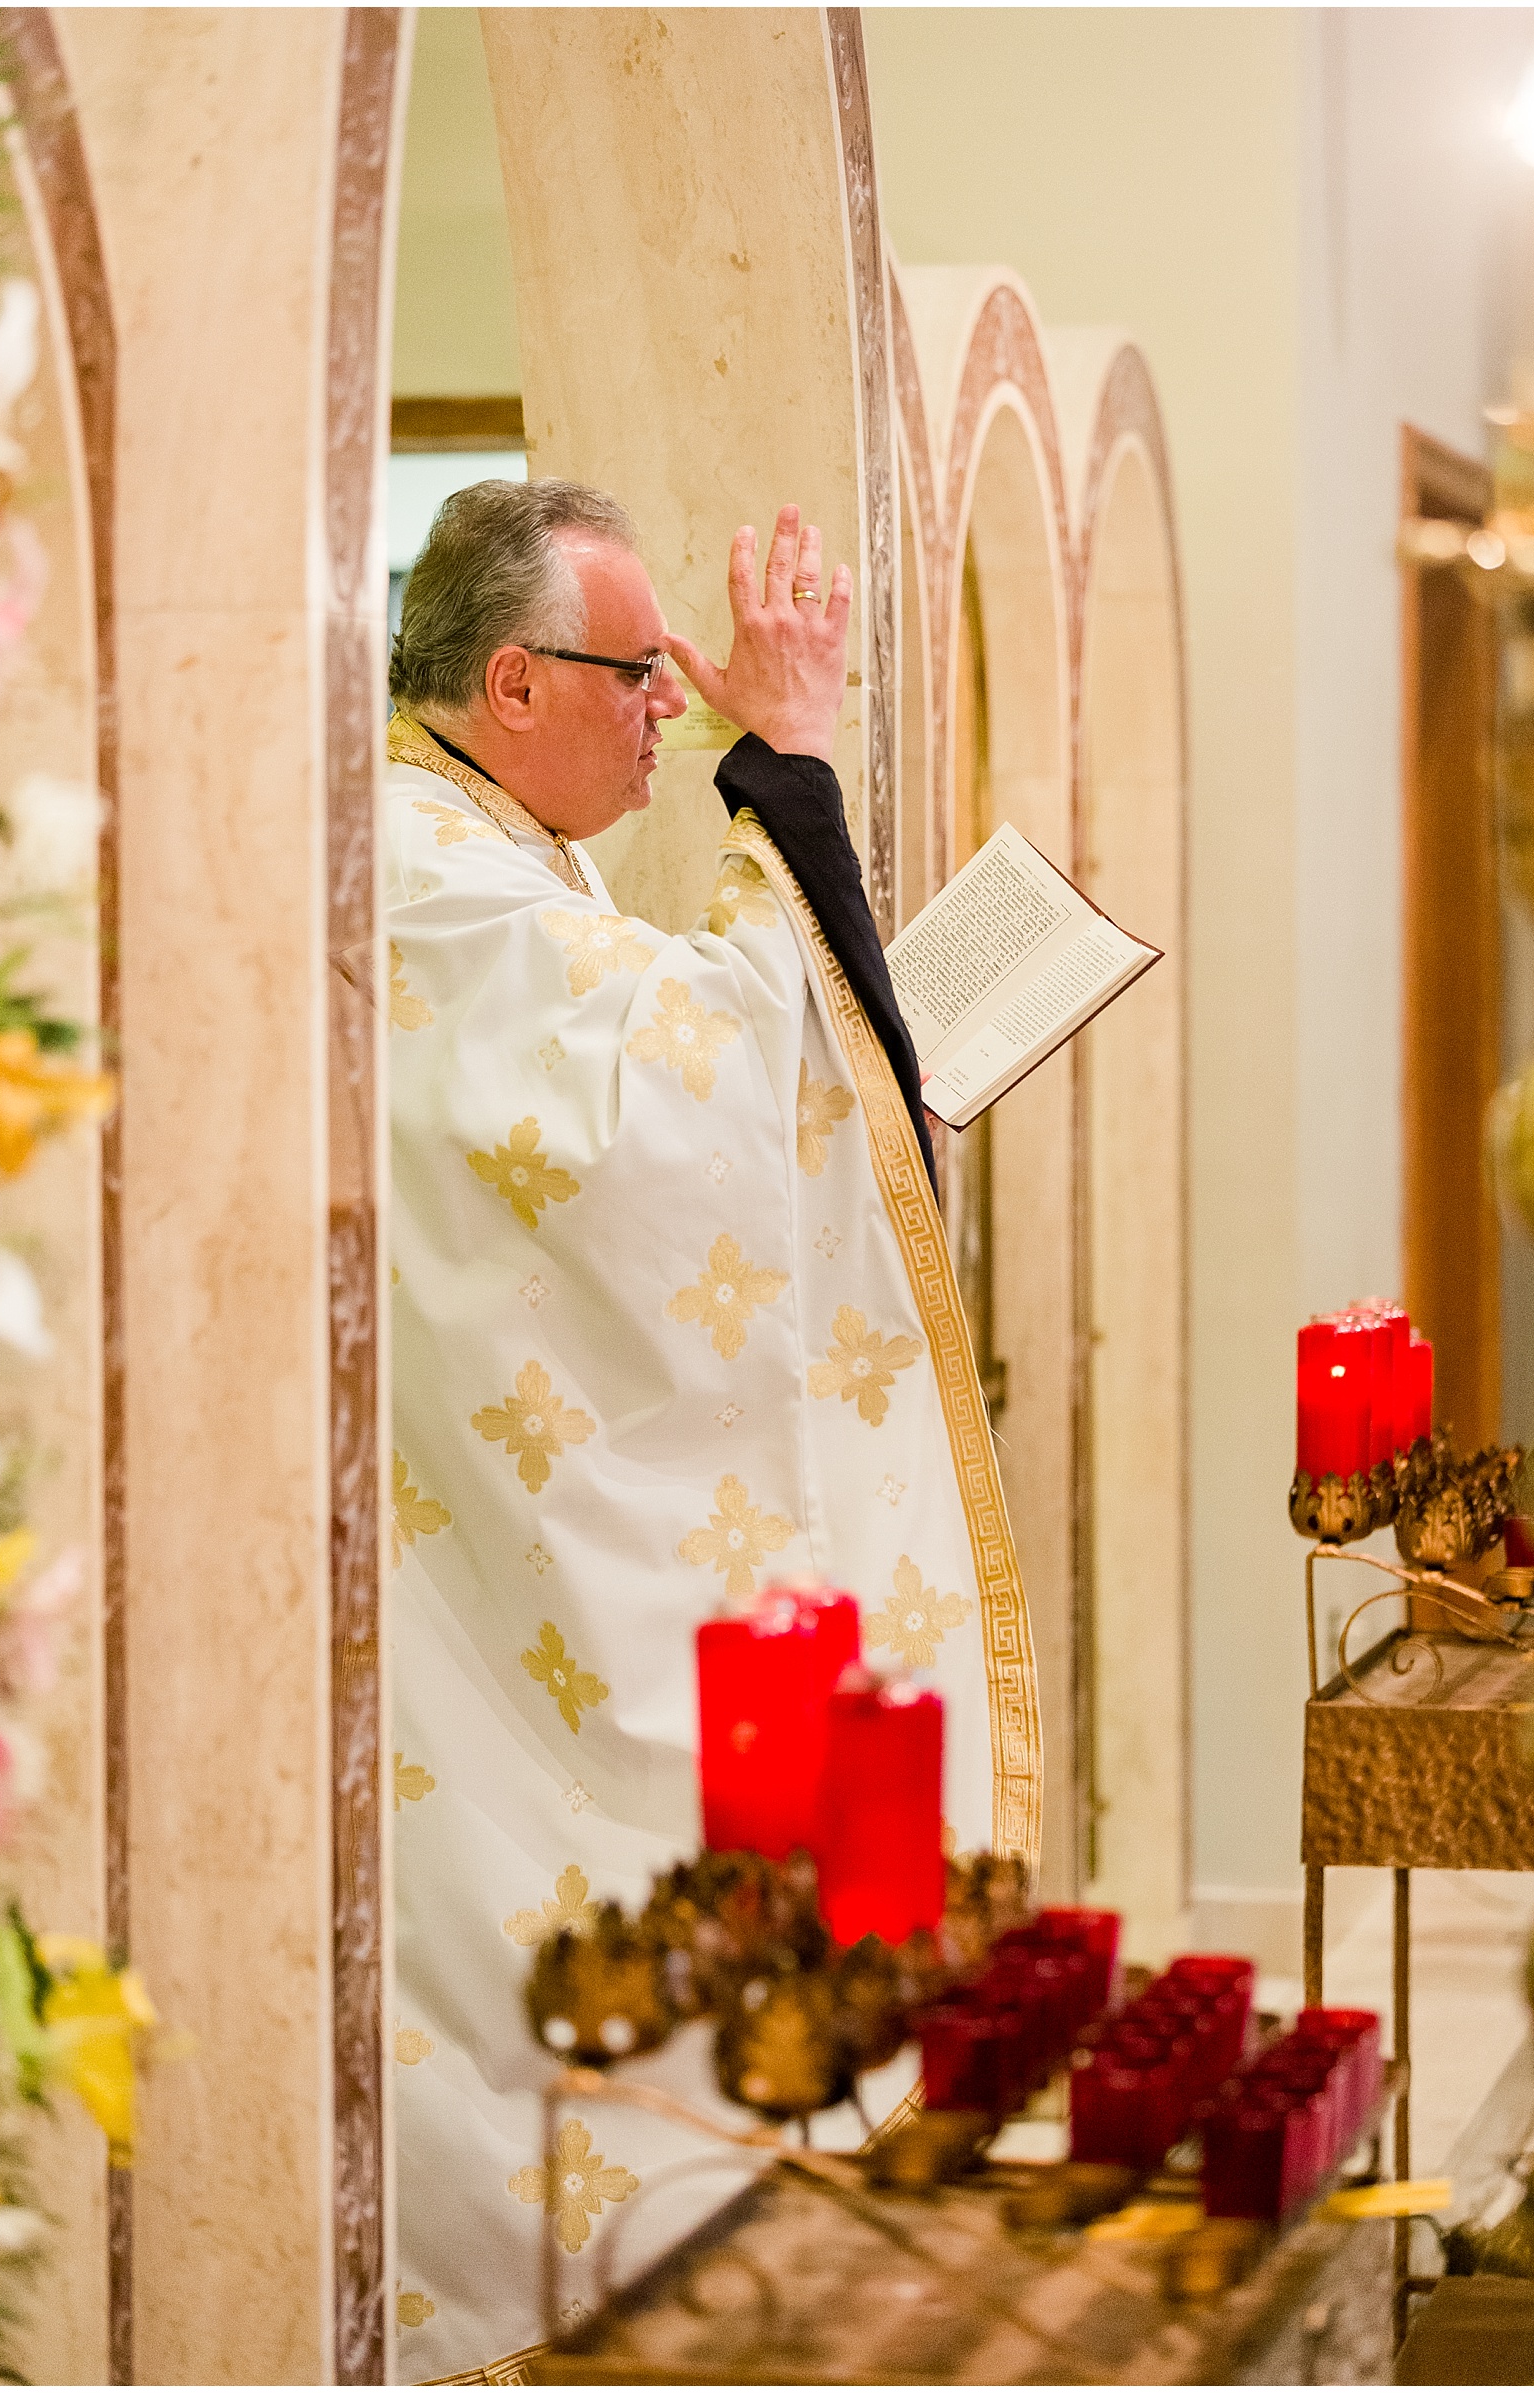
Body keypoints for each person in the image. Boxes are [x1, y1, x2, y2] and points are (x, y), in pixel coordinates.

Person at [385, 478, 1038, 2377]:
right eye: (636, 674)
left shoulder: (493, 847)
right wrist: (796, 750)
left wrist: (782, 779)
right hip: (467, 1615)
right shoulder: (424, 877)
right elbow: (694, 1110)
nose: (669, 704)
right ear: (511, 682)